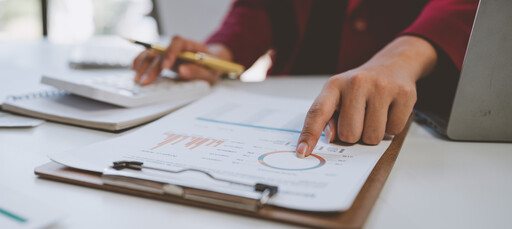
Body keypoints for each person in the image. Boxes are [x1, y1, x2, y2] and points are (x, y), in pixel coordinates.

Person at [132, 0, 478, 158]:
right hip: (289, 99)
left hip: (425, 121)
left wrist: (404, 56)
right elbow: (260, 9)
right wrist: (218, 55)